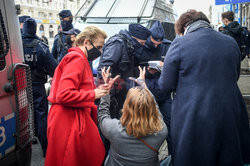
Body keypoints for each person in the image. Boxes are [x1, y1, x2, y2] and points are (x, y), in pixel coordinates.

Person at [159, 9, 250, 166]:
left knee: (194, 156)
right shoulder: (230, 42)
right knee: (227, 155)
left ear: (184, 27)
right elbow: (234, 76)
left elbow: (165, 85)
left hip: (193, 113)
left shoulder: (180, 43)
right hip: (230, 111)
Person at [45, 26, 110, 166]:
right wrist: (93, 94)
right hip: (68, 120)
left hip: (67, 118)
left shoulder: (78, 58)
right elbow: (64, 94)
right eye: (98, 47)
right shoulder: (78, 59)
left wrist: (98, 90)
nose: (100, 51)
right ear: (86, 42)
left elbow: (76, 89)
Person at [98, 66, 167, 166]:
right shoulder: (161, 131)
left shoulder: (114, 129)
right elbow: (156, 110)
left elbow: (102, 115)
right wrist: (145, 87)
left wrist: (106, 88)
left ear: (126, 106)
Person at [97, 23, 151, 119]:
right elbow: (104, 69)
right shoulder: (117, 43)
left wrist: (149, 72)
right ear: (134, 38)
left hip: (121, 90)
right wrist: (107, 92)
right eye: (141, 43)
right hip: (112, 92)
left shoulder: (129, 45)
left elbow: (129, 70)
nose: (142, 46)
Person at [22, 18, 57, 157]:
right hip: (37, 86)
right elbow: (54, 69)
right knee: (42, 115)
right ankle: (46, 149)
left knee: (22, 114)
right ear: (35, 30)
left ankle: (25, 144)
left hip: (19, 86)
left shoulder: (15, 44)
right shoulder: (41, 46)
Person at [139, 20, 173, 155]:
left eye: (159, 43)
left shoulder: (168, 46)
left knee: (171, 126)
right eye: (153, 42)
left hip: (163, 92)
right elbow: (134, 69)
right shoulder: (141, 46)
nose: (156, 45)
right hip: (145, 93)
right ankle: (147, 157)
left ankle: (172, 157)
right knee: (144, 127)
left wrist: (165, 67)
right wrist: (147, 72)